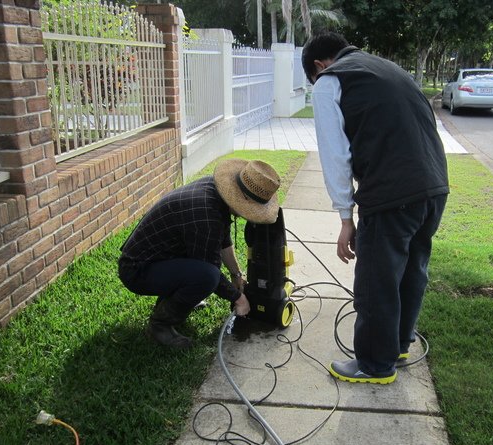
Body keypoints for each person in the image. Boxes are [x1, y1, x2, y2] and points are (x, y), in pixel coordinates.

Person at [302, 32, 449, 384]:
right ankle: (397, 343)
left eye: (314, 76)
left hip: (392, 195)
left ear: (320, 65)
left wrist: (344, 217)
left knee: (376, 282)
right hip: (434, 187)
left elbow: (336, 156)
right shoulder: (389, 68)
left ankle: (374, 363)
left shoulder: (330, 81)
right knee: (413, 269)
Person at [118, 159, 281, 349]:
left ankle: (178, 299)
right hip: (138, 269)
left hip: (161, 257)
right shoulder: (205, 212)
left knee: (204, 273)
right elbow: (209, 271)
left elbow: (223, 238)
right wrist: (238, 298)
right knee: (207, 277)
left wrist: (236, 275)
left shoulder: (215, 191)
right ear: (243, 199)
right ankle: (159, 325)